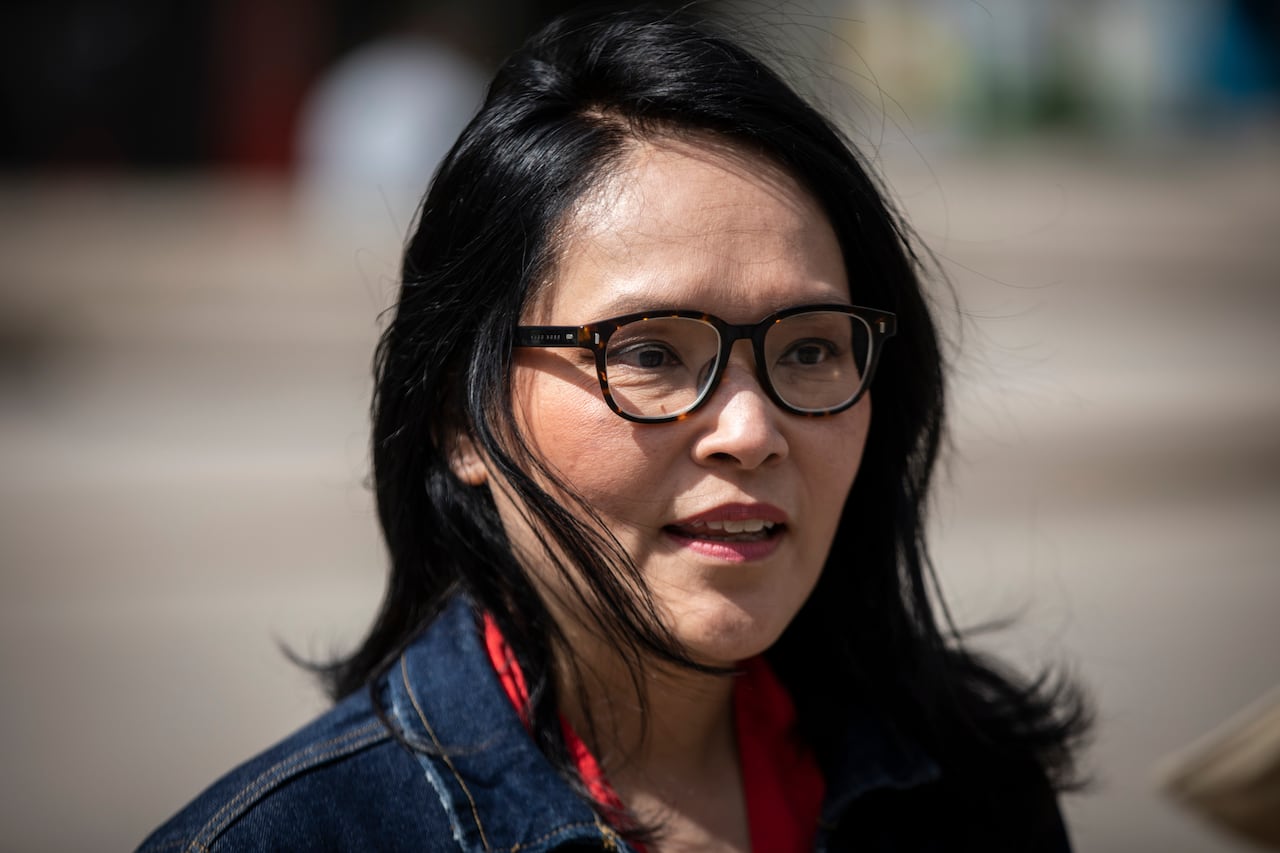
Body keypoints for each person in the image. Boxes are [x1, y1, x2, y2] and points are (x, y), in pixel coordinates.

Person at [138, 6, 1089, 851]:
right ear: (461, 417)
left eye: (809, 349)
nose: (750, 429)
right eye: (649, 352)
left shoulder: (971, 796)